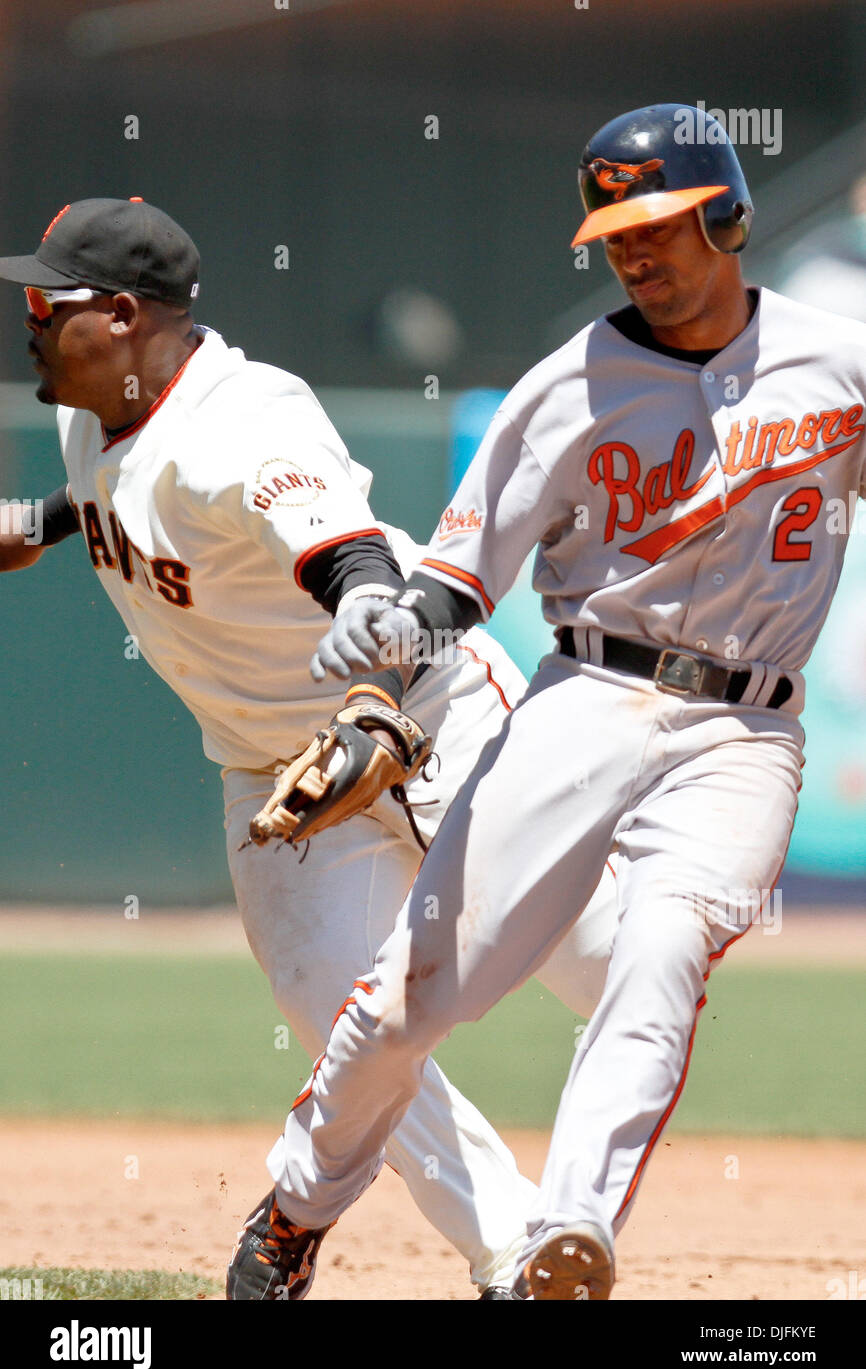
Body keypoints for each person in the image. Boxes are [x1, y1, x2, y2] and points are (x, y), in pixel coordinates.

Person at [236, 102, 866, 1301]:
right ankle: (296, 1203)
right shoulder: (562, 387)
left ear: (724, 215)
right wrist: (396, 624)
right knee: (412, 997)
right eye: (612, 232)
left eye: (656, 224)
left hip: (744, 730)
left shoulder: (838, 364)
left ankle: (558, 1240)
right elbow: (464, 573)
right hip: (584, 695)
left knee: (659, 955)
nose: (631, 250)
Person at [0, 196, 618, 1300]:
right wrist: (41, 523)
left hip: (422, 717)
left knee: (606, 962)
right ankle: (516, 1253)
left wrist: (368, 649)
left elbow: (350, 564)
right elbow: (137, 491)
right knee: (351, 1031)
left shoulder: (247, 421)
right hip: (268, 776)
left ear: (125, 316)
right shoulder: (90, 406)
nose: (30, 320)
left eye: (49, 302)